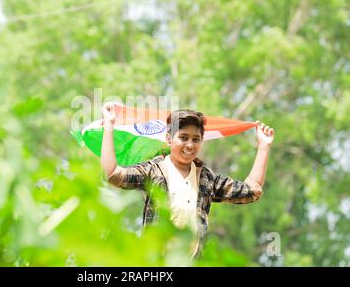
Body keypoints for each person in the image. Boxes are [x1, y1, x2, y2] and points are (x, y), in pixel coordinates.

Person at [100, 102, 275, 259]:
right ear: (169, 139)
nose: (190, 145)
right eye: (183, 138)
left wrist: (264, 146)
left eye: (196, 139)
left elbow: (252, 191)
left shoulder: (206, 178)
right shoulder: (154, 171)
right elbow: (113, 175)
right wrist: (109, 126)